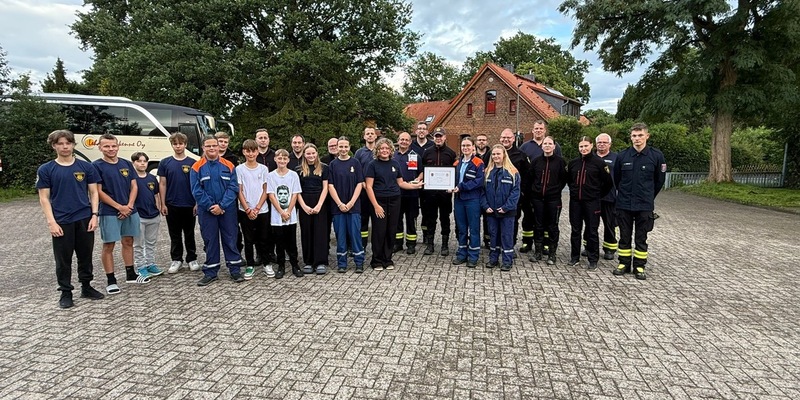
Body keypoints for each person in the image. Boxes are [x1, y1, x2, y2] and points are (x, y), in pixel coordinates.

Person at [37, 130, 105, 308]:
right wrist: (51, 222)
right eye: (60, 143)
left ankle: (86, 287)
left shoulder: (86, 167)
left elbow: (94, 192)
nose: (64, 146)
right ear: (54, 146)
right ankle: (66, 292)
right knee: (63, 259)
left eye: (68, 143)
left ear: (73, 144)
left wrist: (94, 215)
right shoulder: (46, 169)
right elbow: (44, 198)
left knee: (85, 256)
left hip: (84, 218)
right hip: (61, 221)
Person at [94, 133, 147, 294]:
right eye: (107, 146)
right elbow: (98, 191)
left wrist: (129, 206)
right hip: (110, 211)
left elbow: (134, 186)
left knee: (129, 241)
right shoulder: (96, 166)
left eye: (113, 146)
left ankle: (130, 274)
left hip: (130, 210)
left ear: (118, 146)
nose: (111, 149)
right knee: (109, 244)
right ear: (100, 147)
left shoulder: (126, 164)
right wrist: (119, 207)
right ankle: (111, 280)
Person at [613, 123, 666, 280]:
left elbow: (659, 181)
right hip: (624, 203)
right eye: (634, 136)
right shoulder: (622, 156)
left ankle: (639, 266)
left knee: (641, 237)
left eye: (640, 135)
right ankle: (623, 263)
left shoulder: (656, 156)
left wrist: (648, 195)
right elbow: (617, 179)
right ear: (630, 137)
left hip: (644, 204)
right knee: (624, 235)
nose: (637, 139)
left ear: (647, 136)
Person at [190, 136, 245, 286]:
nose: (212, 148)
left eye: (214, 145)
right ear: (203, 148)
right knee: (210, 240)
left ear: (218, 147)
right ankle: (211, 272)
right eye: (208, 146)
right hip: (207, 211)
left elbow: (233, 188)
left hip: (227, 210)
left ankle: (234, 270)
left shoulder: (229, 166)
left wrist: (221, 206)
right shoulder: (196, 167)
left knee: (230, 238)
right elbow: (196, 191)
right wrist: (210, 206)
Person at [365, 138, 424, 270]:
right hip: (379, 201)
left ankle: (387, 258)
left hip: (394, 200)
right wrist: (376, 205)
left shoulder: (395, 164)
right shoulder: (372, 165)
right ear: (377, 151)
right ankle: (376, 260)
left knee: (391, 229)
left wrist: (415, 186)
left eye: (387, 148)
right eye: (382, 149)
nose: (384, 151)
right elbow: (369, 187)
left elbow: (401, 183)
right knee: (379, 230)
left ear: (391, 150)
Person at [567, 136, 613, 270]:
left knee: (592, 231)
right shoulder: (573, 163)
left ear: (591, 146)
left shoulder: (599, 163)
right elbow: (569, 180)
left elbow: (608, 183)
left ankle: (593, 259)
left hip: (592, 202)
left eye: (586, 146)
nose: (583, 149)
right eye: (581, 146)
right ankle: (574, 257)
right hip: (575, 202)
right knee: (575, 230)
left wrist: (597, 195)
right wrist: (575, 192)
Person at [158, 132, 200, 274]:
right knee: (174, 234)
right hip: (172, 204)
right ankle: (176, 259)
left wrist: (197, 203)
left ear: (185, 145)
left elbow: (196, 185)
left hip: (189, 204)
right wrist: (162, 203)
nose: (178, 146)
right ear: (172, 145)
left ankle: (192, 258)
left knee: (189, 233)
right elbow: (162, 184)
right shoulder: (165, 162)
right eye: (175, 144)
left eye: (180, 143)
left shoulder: (193, 163)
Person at [519, 120, 562, 254]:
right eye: (536, 128)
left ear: (545, 130)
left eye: (541, 128)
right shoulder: (525, 147)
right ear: (533, 130)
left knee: (546, 219)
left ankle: (546, 244)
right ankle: (527, 242)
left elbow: (559, 171)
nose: (538, 130)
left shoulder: (556, 147)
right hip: (530, 191)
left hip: (549, 193)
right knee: (528, 218)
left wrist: (556, 188)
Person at [235, 139, 272, 280]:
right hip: (245, 210)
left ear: (257, 151)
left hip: (262, 210)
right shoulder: (239, 169)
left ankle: (266, 263)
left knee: (264, 238)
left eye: (253, 151)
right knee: (248, 239)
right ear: (244, 152)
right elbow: (239, 191)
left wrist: (257, 208)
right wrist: (248, 209)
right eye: (247, 151)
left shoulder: (263, 169)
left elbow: (265, 190)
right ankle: (249, 265)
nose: (250, 154)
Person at [328, 137, 366, 273]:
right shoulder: (333, 164)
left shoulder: (355, 163)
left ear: (349, 148)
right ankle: (342, 263)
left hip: (353, 207)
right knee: (341, 235)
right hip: (338, 208)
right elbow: (330, 186)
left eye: (346, 147)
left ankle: (359, 262)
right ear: (337, 148)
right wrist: (339, 204)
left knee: (355, 235)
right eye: (341, 147)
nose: (343, 149)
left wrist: (350, 203)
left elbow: (359, 184)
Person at [529, 136, 569, 265]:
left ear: (554, 146)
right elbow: (531, 178)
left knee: (553, 226)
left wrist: (555, 190)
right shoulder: (535, 161)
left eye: (550, 143)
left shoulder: (560, 162)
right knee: (538, 225)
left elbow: (563, 179)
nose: (547, 145)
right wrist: (535, 190)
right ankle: (538, 252)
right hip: (537, 198)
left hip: (553, 199)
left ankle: (552, 254)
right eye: (545, 143)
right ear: (542, 146)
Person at [480, 145, 520, 271]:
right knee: (493, 236)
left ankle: (507, 261)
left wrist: (506, 207)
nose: (496, 156)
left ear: (504, 155)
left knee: (506, 236)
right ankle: (493, 259)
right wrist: (486, 206)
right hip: (491, 211)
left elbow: (515, 193)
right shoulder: (487, 172)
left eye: (498, 154)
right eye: (494, 154)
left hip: (507, 212)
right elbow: (482, 192)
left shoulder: (513, 172)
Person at [491, 128, 531, 254]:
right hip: (495, 198)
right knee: (494, 224)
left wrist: (521, 193)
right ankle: (495, 247)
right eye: (503, 137)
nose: (505, 139)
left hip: (513, 199)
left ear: (513, 139)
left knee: (511, 224)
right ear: (500, 138)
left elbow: (527, 176)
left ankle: (509, 247)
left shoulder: (521, 155)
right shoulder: (492, 154)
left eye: (508, 137)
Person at [420, 127, 457, 256]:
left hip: (445, 194)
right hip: (430, 194)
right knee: (431, 218)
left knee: (445, 218)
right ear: (433, 138)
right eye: (436, 136)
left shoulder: (451, 153)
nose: (438, 138)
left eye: (440, 136)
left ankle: (445, 245)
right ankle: (430, 245)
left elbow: (454, 172)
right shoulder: (427, 152)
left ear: (445, 137)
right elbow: (423, 170)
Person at [267, 149, 304, 278]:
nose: (282, 161)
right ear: (275, 159)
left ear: (288, 160)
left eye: (284, 159)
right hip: (277, 217)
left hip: (290, 216)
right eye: (279, 158)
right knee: (279, 242)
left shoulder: (293, 175)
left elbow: (295, 194)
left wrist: (288, 211)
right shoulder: (271, 175)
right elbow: (271, 195)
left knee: (292, 242)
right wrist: (281, 211)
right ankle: (281, 266)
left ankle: (295, 265)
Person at [450, 136, 485, 268]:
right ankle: (461, 254)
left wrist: (461, 187)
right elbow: (452, 177)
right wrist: (449, 186)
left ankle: (473, 256)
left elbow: (479, 181)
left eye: (468, 146)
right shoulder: (457, 163)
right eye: (463, 146)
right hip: (458, 200)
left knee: (474, 228)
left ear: (473, 147)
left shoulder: (478, 162)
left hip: (472, 200)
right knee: (462, 229)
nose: (465, 148)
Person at [296, 143, 330, 275]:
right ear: (304, 155)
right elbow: (297, 190)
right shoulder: (298, 169)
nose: (311, 156)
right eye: (308, 153)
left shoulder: (324, 168)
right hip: (304, 201)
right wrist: (303, 206)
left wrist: (319, 205)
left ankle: (320, 262)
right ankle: (309, 262)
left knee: (320, 232)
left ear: (317, 154)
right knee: (306, 232)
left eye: (313, 153)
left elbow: (325, 187)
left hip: (320, 202)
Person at [131, 152, 164, 278]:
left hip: (153, 215)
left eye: (144, 161)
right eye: (139, 161)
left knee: (151, 242)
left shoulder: (151, 178)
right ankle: (141, 266)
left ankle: (151, 264)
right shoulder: (131, 179)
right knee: (138, 243)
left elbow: (156, 195)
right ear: (133, 163)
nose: (142, 163)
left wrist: (158, 207)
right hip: (138, 216)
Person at [392, 132, 421, 254]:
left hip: (411, 194)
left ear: (410, 142)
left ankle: (411, 244)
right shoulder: (392, 156)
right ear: (398, 141)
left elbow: (421, 172)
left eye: (406, 140)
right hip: (396, 194)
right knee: (397, 220)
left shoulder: (415, 156)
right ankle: (397, 244)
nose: (404, 142)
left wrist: (418, 180)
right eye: (401, 139)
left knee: (411, 219)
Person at [254, 128, 277, 270]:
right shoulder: (252, 155)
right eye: (260, 137)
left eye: (265, 137)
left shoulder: (275, 156)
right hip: (257, 198)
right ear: (256, 140)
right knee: (257, 228)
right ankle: (259, 254)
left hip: (272, 197)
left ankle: (271, 252)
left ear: (269, 139)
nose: (263, 140)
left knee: (271, 227)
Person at [354, 127, 378, 250]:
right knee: (363, 219)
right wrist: (362, 183)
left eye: (371, 134)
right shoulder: (359, 153)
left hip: (377, 191)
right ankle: (362, 245)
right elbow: (356, 170)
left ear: (375, 136)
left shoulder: (379, 151)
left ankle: (376, 245)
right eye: (367, 134)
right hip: (363, 192)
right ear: (364, 137)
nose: (369, 136)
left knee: (377, 219)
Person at [595, 133, 618, 260]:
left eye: (604, 142)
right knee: (591, 224)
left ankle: (609, 248)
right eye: (599, 142)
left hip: (609, 198)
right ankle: (589, 247)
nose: (602, 144)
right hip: (593, 197)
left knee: (609, 224)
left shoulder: (616, 158)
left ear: (610, 144)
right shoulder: (590, 157)